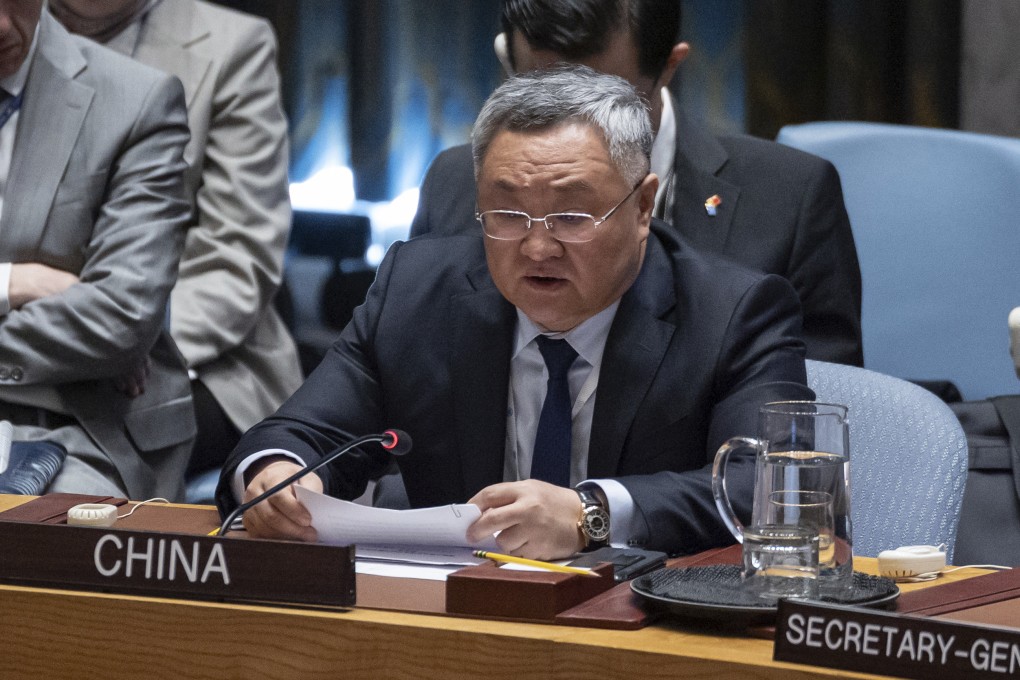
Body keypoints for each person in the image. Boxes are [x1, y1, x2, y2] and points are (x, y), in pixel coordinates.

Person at [216, 65, 813, 559]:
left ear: (642, 208)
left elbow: (772, 486)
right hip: (454, 620)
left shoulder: (734, 312)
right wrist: (279, 474)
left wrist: (590, 513)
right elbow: (301, 433)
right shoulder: (417, 292)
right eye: (506, 215)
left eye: (572, 216)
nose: (537, 247)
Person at [410, 0, 864, 368]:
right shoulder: (454, 184)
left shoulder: (791, 199)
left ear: (669, 66)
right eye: (539, 95)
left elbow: (810, 414)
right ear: (508, 63)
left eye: (607, 101)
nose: (569, 129)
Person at [49, 0, 303, 475]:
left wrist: (109, 342)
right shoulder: (15, 29)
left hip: (192, 354)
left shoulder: (233, 44)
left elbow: (237, 259)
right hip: (27, 330)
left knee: (81, 435)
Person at [0, 2, 193, 499]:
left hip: (81, 426)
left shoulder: (136, 100)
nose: (0, 23)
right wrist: (12, 283)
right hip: (64, 376)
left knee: (46, 533)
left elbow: (118, 320)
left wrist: (105, 338)